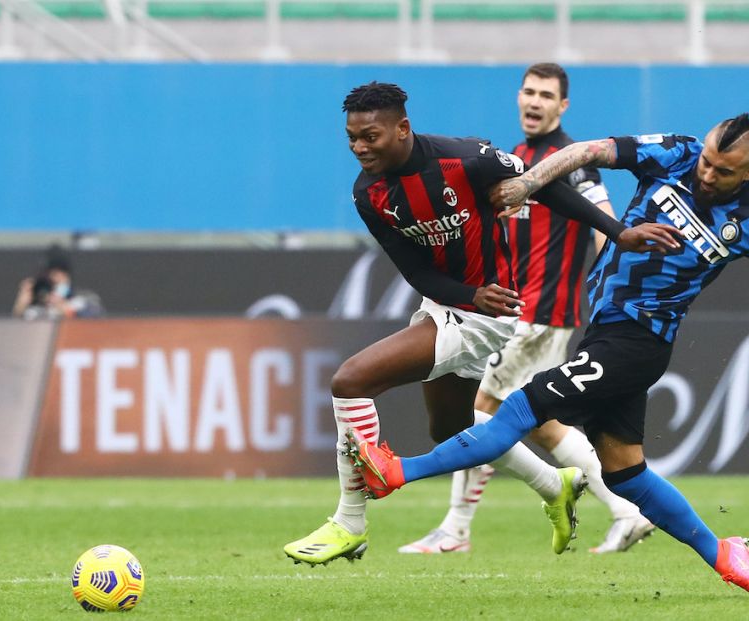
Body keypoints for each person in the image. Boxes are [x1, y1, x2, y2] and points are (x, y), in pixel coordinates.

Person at [346, 113, 749, 598]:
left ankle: (399, 473)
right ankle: (726, 555)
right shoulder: (675, 153)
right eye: (708, 162)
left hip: (638, 342)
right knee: (626, 474)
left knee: (521, 406)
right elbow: (587, 152)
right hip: (606, 330)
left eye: (723, 172)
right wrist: (528, 183)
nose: (707, 175)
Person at [282, 82, 680, 567]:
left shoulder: (466, 159)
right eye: (352, 138)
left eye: (371, 136)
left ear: (402, 128)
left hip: (488, 315)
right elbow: (415, 271)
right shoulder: (370, 193)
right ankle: (554, 484)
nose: (360, 148)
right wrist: (468, 293)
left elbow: (547, 187)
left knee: (349, 381)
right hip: (453, 303)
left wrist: (618, 233)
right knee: (451, 427)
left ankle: (351, 522)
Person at [399, 63, 654, 556]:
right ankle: (628, 511)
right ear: (519, 97)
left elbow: (604, 221)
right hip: (524, 309)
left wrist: (613, 285)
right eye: (529, 91)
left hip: (537, 311)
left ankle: (455, 529)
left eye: (546, 95)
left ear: (563, 106)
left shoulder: (570, 161)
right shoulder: (515, 158)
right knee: (541, 425)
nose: (535, 101)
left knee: (479, 411)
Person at [12, 245, 104, 320]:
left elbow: (97, 322)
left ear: (64, 274)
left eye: (54, 274)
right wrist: (22, 304)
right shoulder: (36, 305)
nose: (50, 279)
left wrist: (64, 307)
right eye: (46, 274)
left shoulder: (84, 299)